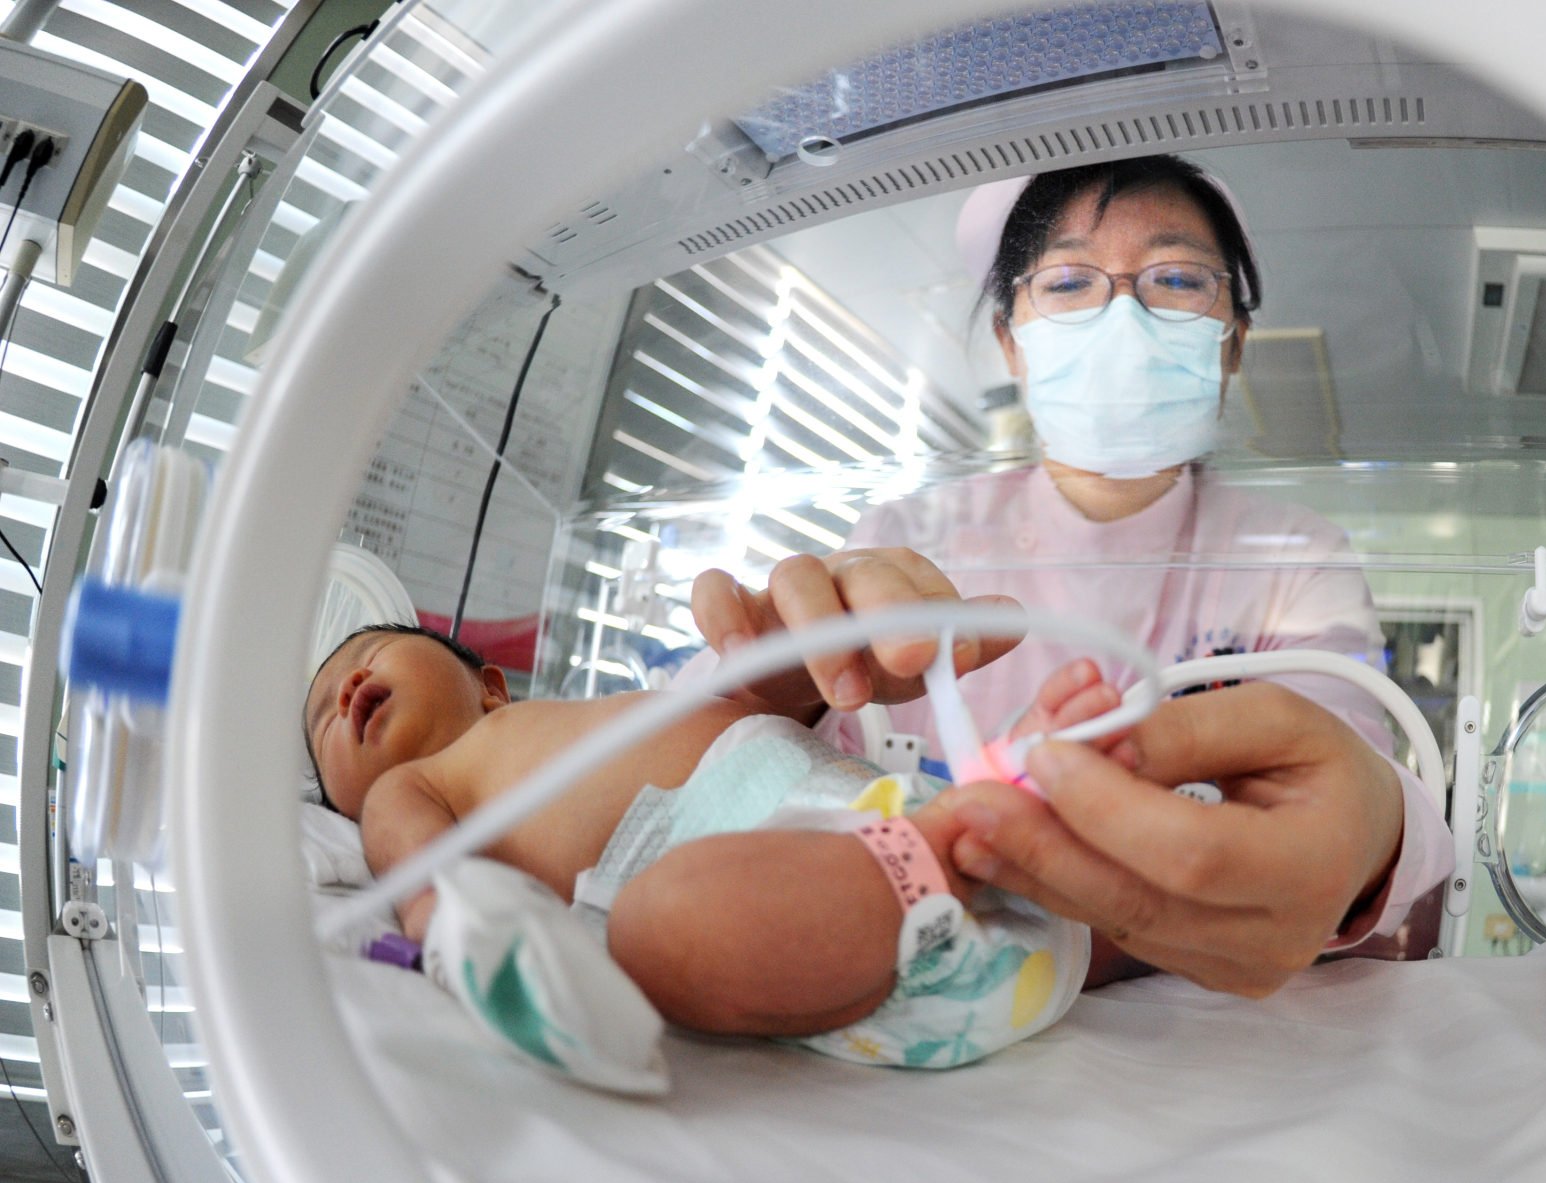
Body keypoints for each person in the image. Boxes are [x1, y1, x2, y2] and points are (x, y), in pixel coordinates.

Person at [679, 155, 1453, 979]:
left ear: (1232, 346)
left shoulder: (1295, 559)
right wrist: (766, 694)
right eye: (1067, 282)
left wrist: (1369, 836)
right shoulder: (911, 536)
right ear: (1012, 343)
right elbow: (717, 778)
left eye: (1178, 279)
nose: (1123, 315)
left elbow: (1349, 770)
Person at [304, 622, 1129, 1069]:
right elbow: (422, 872)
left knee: (1096, 920)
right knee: (663, 923)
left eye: (372, 653)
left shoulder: (581, 713)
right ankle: (982, 824)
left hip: (876, 828)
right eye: (321, 725)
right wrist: (442, 925)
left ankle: (1117, 917)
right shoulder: (410, 788)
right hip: (821, 922)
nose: (346, 689)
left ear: (489, 684)